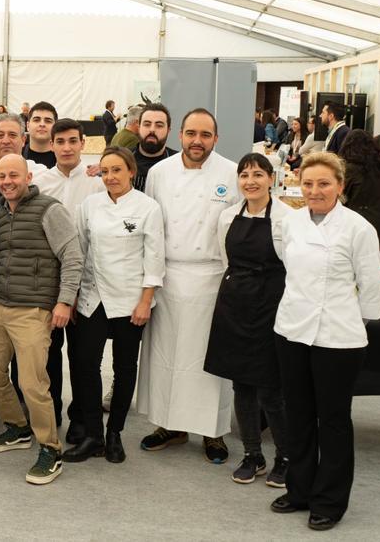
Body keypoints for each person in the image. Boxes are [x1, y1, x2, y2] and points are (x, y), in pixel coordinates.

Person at [269, 152, 380, 532]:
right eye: (309, 183)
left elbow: (371, 284)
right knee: (297, 414)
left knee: (332, 419)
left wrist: (356, 319)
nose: (315, 190)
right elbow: (288, 266)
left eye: (324, 184)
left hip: (338, 335)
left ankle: (330, 501)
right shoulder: (290, 221)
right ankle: (299, 489)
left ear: (340, 186)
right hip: (292, 329)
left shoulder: (358, 228)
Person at [140, 108, 240, 464]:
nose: (198, 141)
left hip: (212, 277)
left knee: (208, 361)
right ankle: (169, 425)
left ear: (216, 138)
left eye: (206, 135)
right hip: (167, 275)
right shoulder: (158, 173)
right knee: (166, 357)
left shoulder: (231, 172)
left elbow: (238, 230)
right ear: (179, 135)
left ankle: (213, 433)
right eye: (191, 133)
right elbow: (151, 227)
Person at [0, 154, 83, 485]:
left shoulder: (49, 209)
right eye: (2, 176)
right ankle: (17, 428)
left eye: (14, 175)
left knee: (32, 383)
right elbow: (8, 247)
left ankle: (51, 449)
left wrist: (64, 301)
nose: (7, 181)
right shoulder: (1, 210)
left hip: (34, 309)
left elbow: (72, 255)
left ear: (28, 176)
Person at [69, 147, 164, 465]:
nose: (110, 177)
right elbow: (79, 251)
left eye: (117, 170)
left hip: (130, 300)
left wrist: (146, 301)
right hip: (92, 296)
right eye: (106, 171)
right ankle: (93, 434)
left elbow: (154, 258)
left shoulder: (148, 208)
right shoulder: (89, 205)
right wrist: (71, 296)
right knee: (85, 364)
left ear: (131, 171)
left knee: (124, 369)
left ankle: (114, 434)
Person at [203, 153, 292, 487]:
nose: (250, 181)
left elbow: (293, 266)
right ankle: (253, 455)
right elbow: (225, 257)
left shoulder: (286, 218)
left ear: (271, 178)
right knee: (241, 384)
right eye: (244, 175)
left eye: (258, 174)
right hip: (235, 304)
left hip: (272, 305)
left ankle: (285, 456)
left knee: (271, 390)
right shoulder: (228, 217)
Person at [32, 118, 104, 438]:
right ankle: (52, 414)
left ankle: (80, 418)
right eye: (60, 142)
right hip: (49, 279)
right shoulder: (41, 183)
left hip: (87, 278)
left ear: (82, 144)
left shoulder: (96, 181)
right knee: (47, 353)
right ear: (51, 145)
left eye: (72, 141)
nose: (66, 147)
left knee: (81, 355)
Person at [337, 129, 380, 268]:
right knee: (379, 267)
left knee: (356, 269)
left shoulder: (350, 169)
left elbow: (342, 198)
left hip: (359, 225)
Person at [133, 103, 175, 191]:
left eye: (159, 125)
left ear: (168, 130)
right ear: (139, 127)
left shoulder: (179, 162)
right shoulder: (123, 159)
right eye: (147, 124)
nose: (152, 129)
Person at [22, 101, 58, 168]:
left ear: (55, 126)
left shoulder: (64, 158)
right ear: (28, 126)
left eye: (48, 121)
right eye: (36, 120)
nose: (42, 124)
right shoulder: (17, 156)